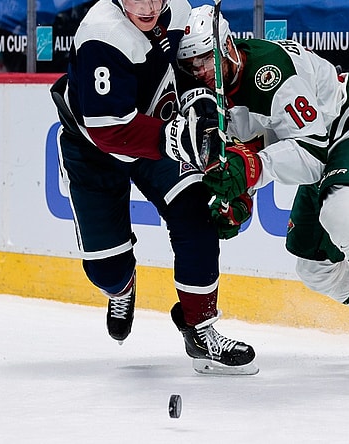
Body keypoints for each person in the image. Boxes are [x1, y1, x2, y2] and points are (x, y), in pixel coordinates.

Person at [176, 5, 349, 381]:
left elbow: (311, 154)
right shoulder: (209, 93)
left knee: (341, 212)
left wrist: (251, 171)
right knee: (314, 267)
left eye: (205, 60)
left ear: (225, 47)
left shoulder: (268, 72)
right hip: (320, 144)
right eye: (191, 65)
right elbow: (252, 145)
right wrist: (237, 194)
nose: (200, 71)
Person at [48, 0, 257, 375]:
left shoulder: (178, 9)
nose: (146, 7)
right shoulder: (101, 34)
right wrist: (178, 137)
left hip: (156, 135)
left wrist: (201, 110)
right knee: (106, 271)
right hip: (95, 149)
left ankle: (200, 328)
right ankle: (121, 287)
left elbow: (188, 72)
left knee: (196, 214)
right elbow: (109, 129)